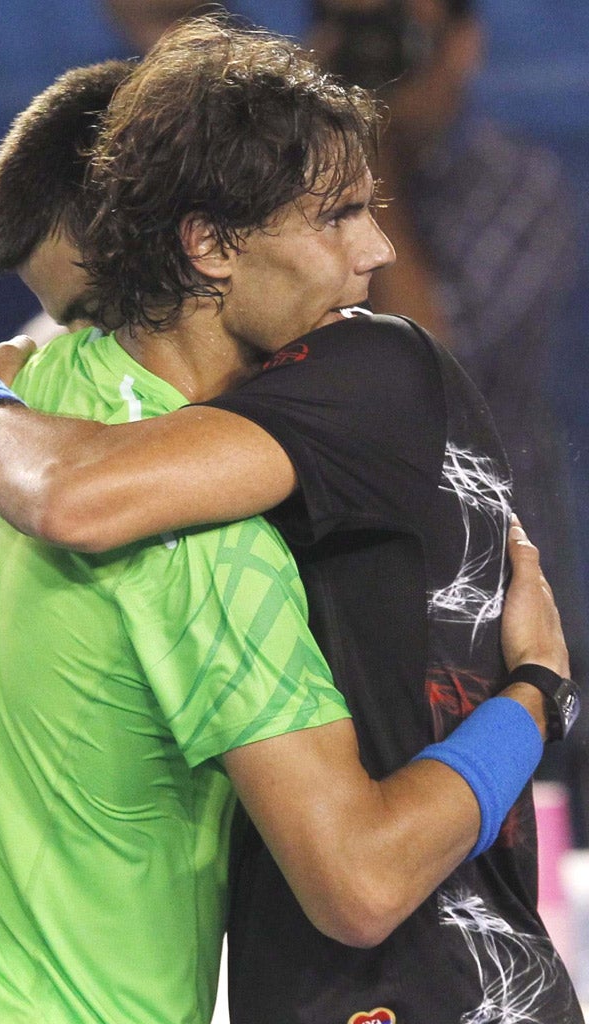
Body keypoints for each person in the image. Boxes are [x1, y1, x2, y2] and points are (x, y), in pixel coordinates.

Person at [0, 16, 579, 1024]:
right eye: (337, 216)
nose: (377, 250)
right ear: (209, 244)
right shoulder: (192, 529)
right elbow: (356, 879)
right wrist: (533, 700)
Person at [309, 0, 589, 844]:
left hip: (490, 594)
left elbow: (428, 364)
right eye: (339, 23)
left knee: (508, 858)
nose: (367, 51)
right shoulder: (282, 199)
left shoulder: (520, 188)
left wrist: (368, 168)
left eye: (393, 25)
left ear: (463, 45)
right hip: (339, 592)